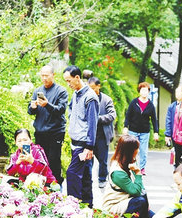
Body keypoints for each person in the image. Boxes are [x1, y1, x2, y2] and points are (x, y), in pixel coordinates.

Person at [63, 65, 100, 207]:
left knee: (72, 173)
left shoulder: (90, 97)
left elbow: (92, 123)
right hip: (75, 143)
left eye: (69, 80)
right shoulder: (75, 93)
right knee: (85, 178)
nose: (68, 84)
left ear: (77, 77)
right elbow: (71, 110)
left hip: (83, 145)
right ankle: (87, 207)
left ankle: (73, 206)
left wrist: (89, 147)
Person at [27, 65, 68, 186]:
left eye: (47, 75)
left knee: (54, 160)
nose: (44, 78)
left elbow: (60, 110)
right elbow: (30, 112)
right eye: (42, 75)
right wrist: (32, 107)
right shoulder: (38, 91)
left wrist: (47, 105)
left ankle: (56, 186)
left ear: (53, 75)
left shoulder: (61, 91)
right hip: (40, 131)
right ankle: (42, 185)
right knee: (40, 160)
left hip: (55, 132)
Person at [101, 135, 153, 218]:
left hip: (126, 200)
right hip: (114, 206)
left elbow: (141, 188)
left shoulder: (128, 162)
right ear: (130, 151)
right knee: (140, 202)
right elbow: (135, 192)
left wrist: (147, 204)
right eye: (136, 148)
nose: (138, 151)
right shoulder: (117, 172)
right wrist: (138, 173)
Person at [123, 82, 159, 174]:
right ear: (139, 91)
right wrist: (125, 127)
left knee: (143, 151)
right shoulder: (134, 103)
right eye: (142, 90)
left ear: (148, 92)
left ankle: (142, 168)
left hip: (144, 132)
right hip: (133, 130)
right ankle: (131, 166)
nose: (144, 92)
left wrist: (156, 132)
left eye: (146, 90)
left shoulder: (151, 105)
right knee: (131, 150)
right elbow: (128, 115)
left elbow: (154, 119)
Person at [88, 77, 117, 189]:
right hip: (89, 135)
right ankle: (88, 179)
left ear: (98, 86)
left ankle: (102, 179)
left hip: (102, 135)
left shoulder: (106, 99)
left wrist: (97, 118)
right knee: (88, 160)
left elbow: (112, 115)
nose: (91, 91)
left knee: (102, 160)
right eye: (89, 88)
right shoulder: (87, 98)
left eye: (93, 88)